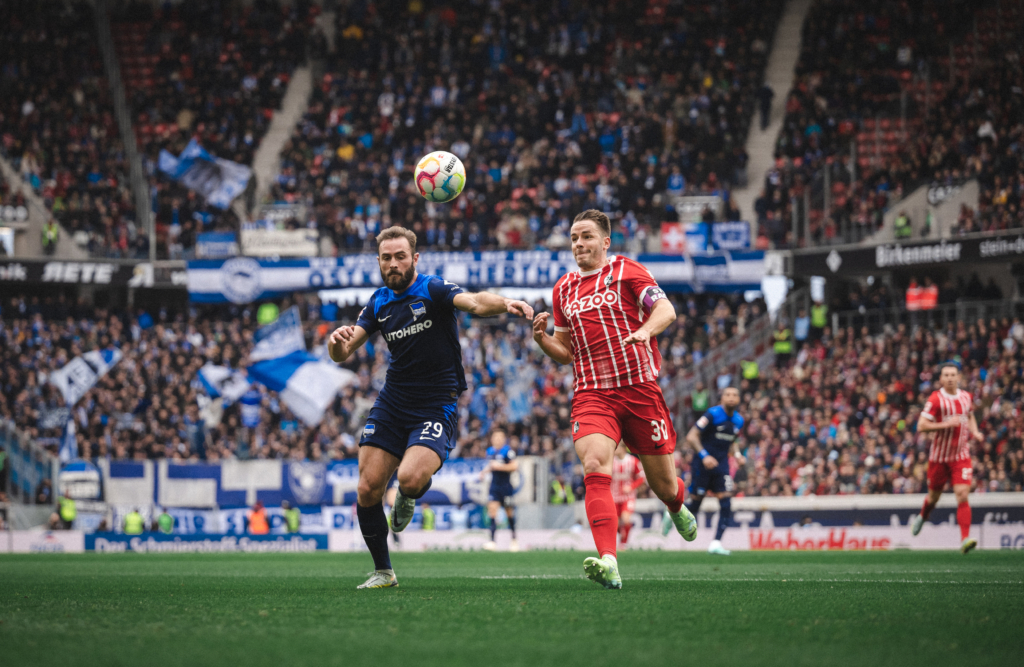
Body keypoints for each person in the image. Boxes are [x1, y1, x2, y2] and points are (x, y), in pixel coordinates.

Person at [328, 226, 533, 589]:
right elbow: (344, 352)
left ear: (415, 258)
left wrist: (504, 303)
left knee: (409, 478)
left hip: (436, 403)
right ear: (378, 261)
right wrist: (336, 342)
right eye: (386, 258)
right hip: (393, 402)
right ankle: (383, 571)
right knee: (367, 488)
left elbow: (473, 302)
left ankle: (407, 497)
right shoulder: (378, 302)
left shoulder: (432, 288)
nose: (393, 264)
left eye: (400, 256)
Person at [532, 209, 697, 589]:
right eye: (574, 238)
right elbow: (567, 351)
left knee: (664, 486)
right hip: (592, 393)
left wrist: (645, 331)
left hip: (639, 390)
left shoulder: (628, 271)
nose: (579, 244)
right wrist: (543, 340)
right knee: (593, 463)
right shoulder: (564, 289)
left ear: (605, 241)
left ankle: (676, 506)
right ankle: (609, 560)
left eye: (586, 236)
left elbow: (666, 310)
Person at [910, 362, 983, 553]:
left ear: (958, 377)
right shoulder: (935, 400)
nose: (950, 378)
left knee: (962, 494)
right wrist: (945, 424)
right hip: (939, 458)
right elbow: (921, 426)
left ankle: (965, 539)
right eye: (946, 375)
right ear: (941, 379)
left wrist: (975, 432)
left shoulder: (967, 397)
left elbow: (971, 415)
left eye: (953, 374)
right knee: (934, 498)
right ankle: (923, 516)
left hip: (961, 456)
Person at [665, 387, 745, 555]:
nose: (731, 398)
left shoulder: (739, 420)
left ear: (739, 399)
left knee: (726, 502)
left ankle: (716, 543)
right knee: (695, 504)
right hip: (702, 464)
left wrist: (737, 455)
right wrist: (705, 455)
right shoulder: (712, 414)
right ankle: (672, 512)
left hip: (722, 466)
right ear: (721, 398)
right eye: (728, 395)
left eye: (735, 395)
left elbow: (733, 440)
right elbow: (692, 436)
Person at [481, 428, 520, 552]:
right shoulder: (490, 451)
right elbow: (491, 465)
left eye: (500, 437)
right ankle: (492, 541)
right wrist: (484, 472)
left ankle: (514, 540)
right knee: (492, 511)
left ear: (503, 439)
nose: (497, 440)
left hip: (506, 487)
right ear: (492, 439)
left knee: (509, 513)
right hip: (494, 486)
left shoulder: (508, 451)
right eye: (495, 437)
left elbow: (514, 466)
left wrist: (499, 466)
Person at [611, 442, 646, 547]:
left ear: (623, 449)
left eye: (616, 448)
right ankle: (621, 534)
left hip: (628, 497)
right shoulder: (611, 462)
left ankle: (623, 543)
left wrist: (631, 487)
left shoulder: (633, 461)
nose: (614, 450)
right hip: (613, 496)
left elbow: (641, 478)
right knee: (615, 524)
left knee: (626, 519)